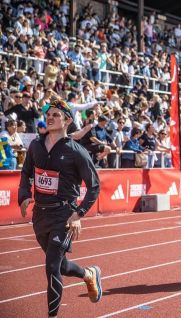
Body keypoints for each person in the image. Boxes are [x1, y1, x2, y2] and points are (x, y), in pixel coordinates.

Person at [18, 99, 102, 317]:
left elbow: (94, 185)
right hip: (40, 215)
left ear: (67, 121)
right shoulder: (36, 145)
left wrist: (78, 214)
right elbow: (26, 172)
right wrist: (24, 196)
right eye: (49, 114)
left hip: (64, 215)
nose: (50, 117)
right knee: (60, 265)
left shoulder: (76, 151)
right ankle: (89, 274)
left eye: (56, 114)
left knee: (52, 267)